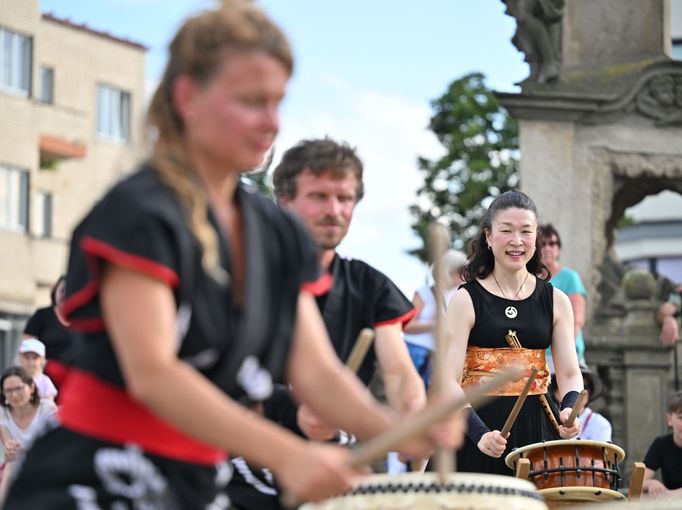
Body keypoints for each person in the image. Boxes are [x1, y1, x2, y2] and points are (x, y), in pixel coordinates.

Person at [3, 4, 463, 508]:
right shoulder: (138, 212)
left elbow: (317, 373)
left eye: (278, 102)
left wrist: (398, 428)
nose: (271, 121)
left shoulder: (276, 231)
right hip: (94, 476)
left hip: (201, 479)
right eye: (251, 101)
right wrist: (288, 454)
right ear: (187, 97)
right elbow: (153, 373)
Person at [226, 137, 432, 509]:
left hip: (334, 467)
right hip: (241, 464)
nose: (334, 210)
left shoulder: (369, 285)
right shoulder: (244, 273)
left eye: (345, 198)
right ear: (284, 200)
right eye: (319, 196)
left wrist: (412, 417)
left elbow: (399, 373)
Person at [439, 190, 583, 476]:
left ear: (536, 238)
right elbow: (448, 380)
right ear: (489, 238)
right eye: (506, 231)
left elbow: (568, 373)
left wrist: (569, 409)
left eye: (526, 232)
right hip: (476, 430)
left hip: (539, 431)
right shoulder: (466, 299)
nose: (517, 241)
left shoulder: (556, 300)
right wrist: (479, 434)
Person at [403, 249, 467, 390]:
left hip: (437, 357)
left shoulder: (459, 296)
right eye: (460, 270)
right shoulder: (424, 293)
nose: (464, 275)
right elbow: (407, 325)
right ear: (449, 270)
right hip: (414, 350)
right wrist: (435, 325)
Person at [0, 366, 57, 502]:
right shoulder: (2, 413)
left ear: (31, 388)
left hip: (46, 465)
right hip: (14, 468)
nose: (14, 395)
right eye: (8, 390)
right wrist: (10, 452)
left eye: (19, 388)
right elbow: (10, 452)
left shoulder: (47, 409)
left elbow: (55, 447)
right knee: (11, 465)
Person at [539, 223, 587, 370]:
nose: (547, 248)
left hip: (564, 352)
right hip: (537, 353)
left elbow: (577, 320)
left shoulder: (570, 277)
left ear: (558, 248)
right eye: (542, 243)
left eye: (552, 243)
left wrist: (565, 351)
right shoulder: (528, 278)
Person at [23, 275, 72, 387]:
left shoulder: (83, 319)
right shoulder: (42, 316)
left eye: (69, 290)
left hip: (73, 380)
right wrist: (47, 365)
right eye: (62, 290)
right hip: (42, 378)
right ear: (55, 291)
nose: (65, 295)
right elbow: (27, 348)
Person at [551, 363, 611, 442]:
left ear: (590, 392)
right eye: (570, 386)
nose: (577, 391)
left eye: (584, 386)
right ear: (555, 391)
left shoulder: (600, 424)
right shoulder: (546, 418)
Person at [642, 390, 682, 498]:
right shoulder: (661, 444)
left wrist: (671, 495)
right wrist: (651, 483)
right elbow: (639, 481)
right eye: (681, 418)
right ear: (669, 419)